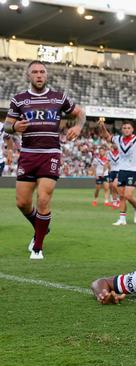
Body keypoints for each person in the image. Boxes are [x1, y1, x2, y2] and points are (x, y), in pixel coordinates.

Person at [3, 60, 86, 259]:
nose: (39, 75)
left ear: (46, 75)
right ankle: (42, 227)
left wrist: (78, 127)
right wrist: (14, 128)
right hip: (28, 154)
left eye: (42, 72)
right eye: (35, 72)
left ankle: (38, 247)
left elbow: (80, 112)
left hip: (50, 154)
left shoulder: (58, 98)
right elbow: (7, 125)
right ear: (28, 75)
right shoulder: (19, 99)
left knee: (43, 199)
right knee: (22, 203)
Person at [97, 120, 136, 226]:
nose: (126, 130)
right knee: (121, 195)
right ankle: (122, 219)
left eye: (128, 128)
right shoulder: (118, 139)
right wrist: (102, 127)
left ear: (132, 129)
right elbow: (107, 136)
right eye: (124, 128)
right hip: (121, 171)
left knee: (128, 195)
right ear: (122, 129)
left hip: (133, 171)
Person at [107, 142, 120, 209]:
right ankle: (114, 202)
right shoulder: (109, 153)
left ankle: (119, 199)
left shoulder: (121, 153)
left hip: (119, 171)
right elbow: (108, 162)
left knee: (115, 185)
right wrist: (109, 169)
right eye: (114, 144)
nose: (115, 145)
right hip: (112, 171)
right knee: (111, 186)